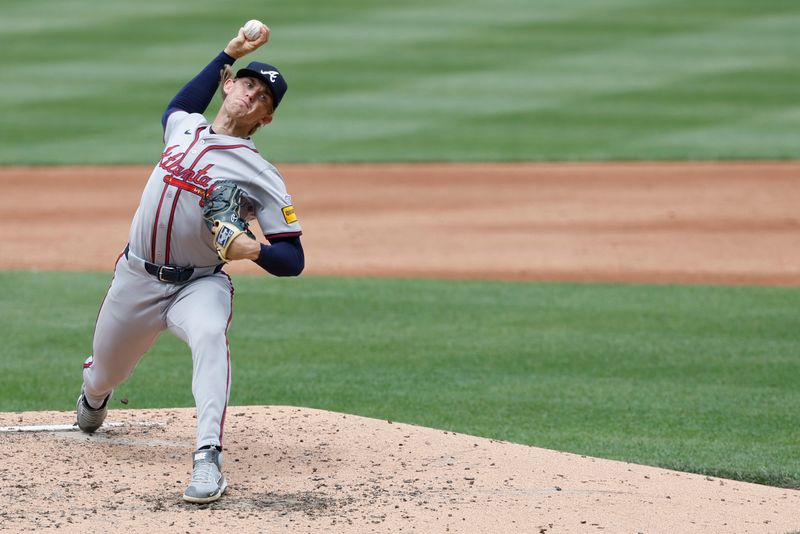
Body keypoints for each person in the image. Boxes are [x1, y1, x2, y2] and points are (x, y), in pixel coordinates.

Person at [75, 23, 304, 504]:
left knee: (208, 335)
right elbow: (178, 103)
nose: (251, 95)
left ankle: (207, 458)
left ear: (266, 119)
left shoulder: (261, 175)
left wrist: (255, 250)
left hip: (198, 285)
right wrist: (230, 51)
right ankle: (93, 397)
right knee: (104, 375)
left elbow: (293, 257)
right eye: (247, 83)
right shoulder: (185, 127)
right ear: (228, 85)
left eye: (264, 97)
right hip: (136, 278)